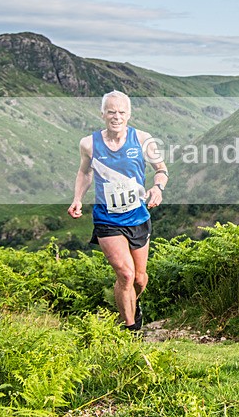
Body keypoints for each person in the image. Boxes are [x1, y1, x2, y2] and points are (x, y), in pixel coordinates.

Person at [67, 90, 168, 331]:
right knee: (125, 274)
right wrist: (77, 198)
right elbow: (85, 172)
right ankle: (131, 330)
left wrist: (157, 188)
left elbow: (161, 169)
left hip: (137, 216)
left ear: (129, 114)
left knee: (139, 278)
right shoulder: (89, 144)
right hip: (107, 219)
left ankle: (133, 305)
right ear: (102, 114)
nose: (116, 116)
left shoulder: (143, 140)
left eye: (121, 112)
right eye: (111, 111)